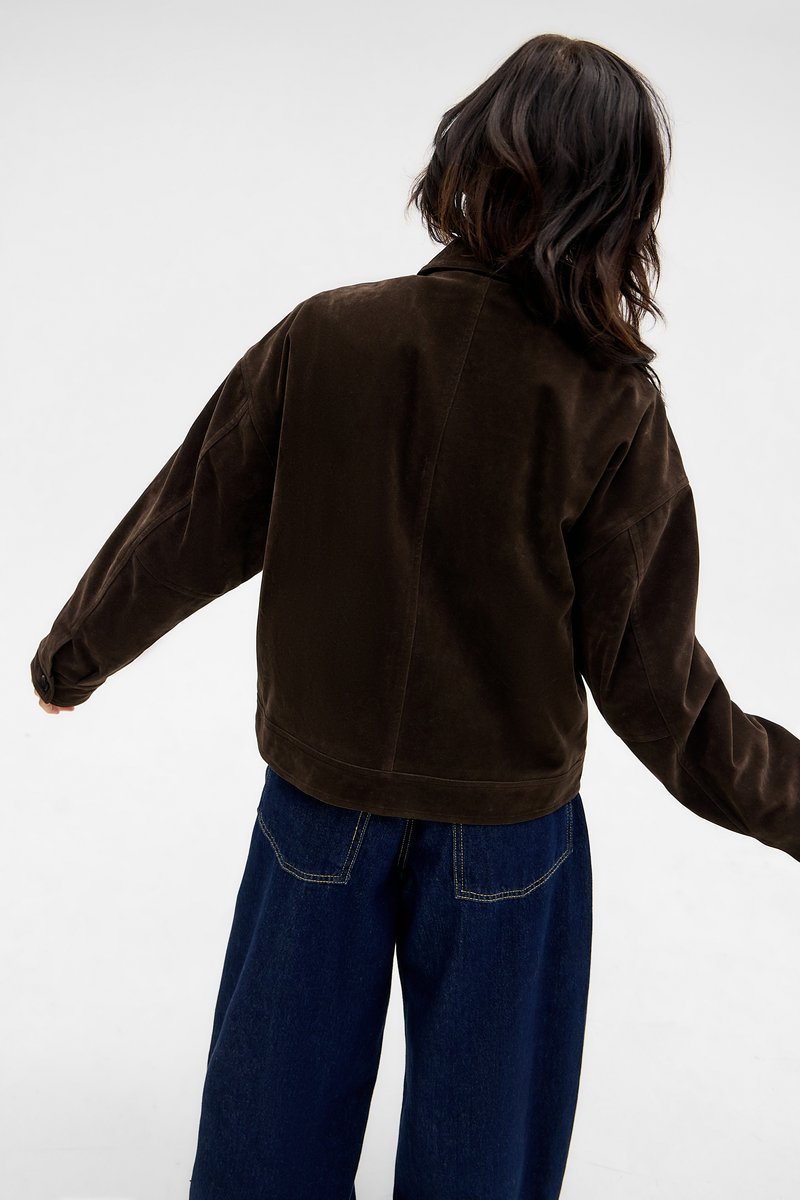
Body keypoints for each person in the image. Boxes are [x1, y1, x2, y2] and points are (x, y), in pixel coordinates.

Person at [31, 31, 800, 1200]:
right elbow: (655, 687)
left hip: (316, 810)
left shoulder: (326, 335)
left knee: (263, 1157)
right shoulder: (608, 405)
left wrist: (74, 656)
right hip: (505, 842)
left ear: (467, 160)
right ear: (617, 209)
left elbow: (189, 519)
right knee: (480, 1170)